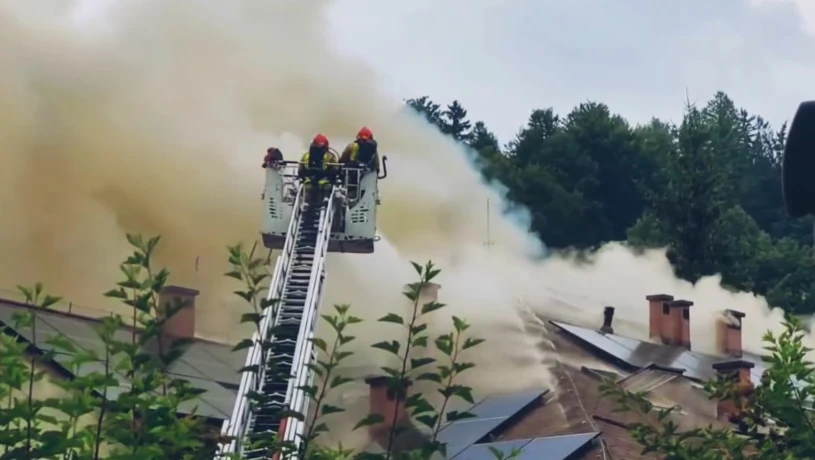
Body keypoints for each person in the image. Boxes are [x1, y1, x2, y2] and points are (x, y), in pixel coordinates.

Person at [298, 134, 338, 203]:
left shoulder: (306, 156)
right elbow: (335, 170)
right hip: (325, 185)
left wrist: (305, 177)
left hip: (308, 184)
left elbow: (300, 171)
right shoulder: (330, 157)